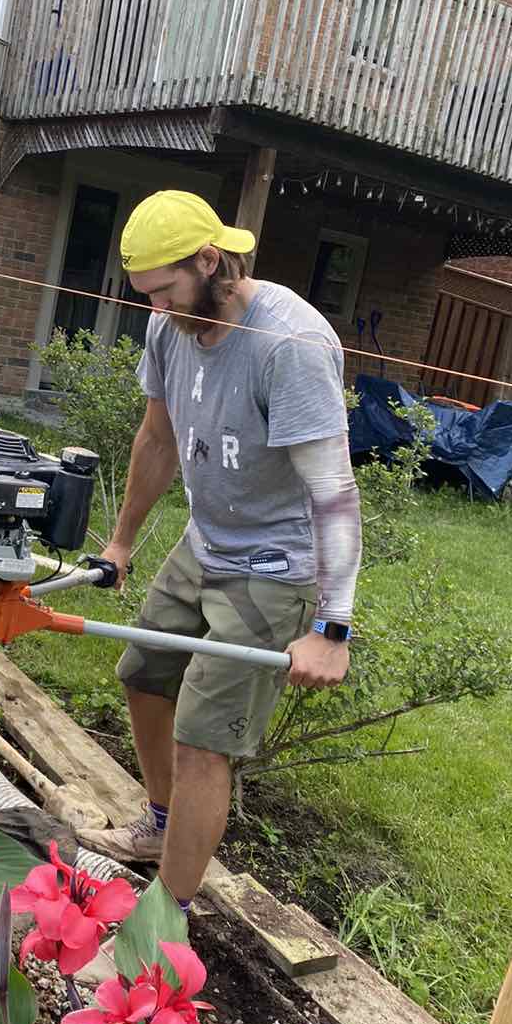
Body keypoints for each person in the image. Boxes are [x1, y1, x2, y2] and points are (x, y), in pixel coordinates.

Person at [82, 189, 361, 910]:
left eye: (165, 290)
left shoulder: (290, 345)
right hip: (205, 540)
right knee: (144, 672)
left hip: (272, 566)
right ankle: (164, 826)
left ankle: (163, 923)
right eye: (145, 296)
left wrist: (332, 628)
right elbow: (157, 438)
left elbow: (332, 491)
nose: (155, 310)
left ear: (211, 260)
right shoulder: (170, 327)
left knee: (204, 738)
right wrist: (120, 541)